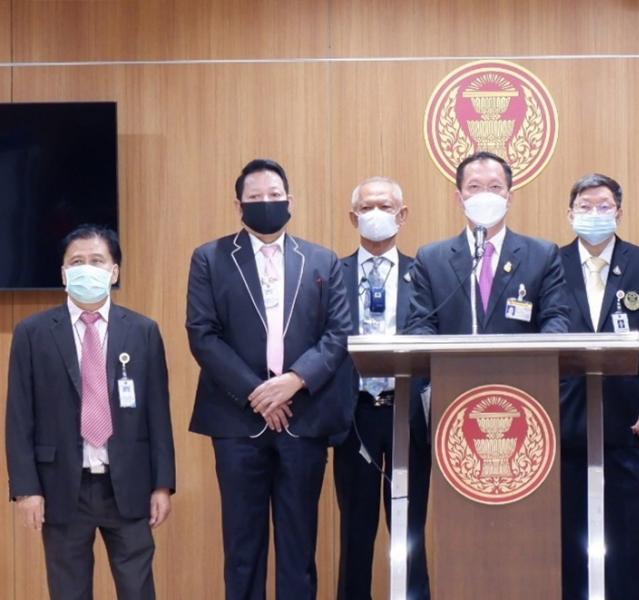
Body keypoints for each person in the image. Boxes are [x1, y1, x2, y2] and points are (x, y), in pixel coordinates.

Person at [186, 158, 353, 600]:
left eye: (274, 195)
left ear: (290, 201)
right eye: (255, 197)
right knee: (242, 549)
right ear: (238, 205)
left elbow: (338, 334)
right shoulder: (210, 258)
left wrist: (294, 381)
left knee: (299, 549)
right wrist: (257, 393)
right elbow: (203, 335)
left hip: (304, 417)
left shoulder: (321, 260)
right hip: (237, 421)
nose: (266, 203)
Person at [6, 224, 175, 599]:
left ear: (114, 271)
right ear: (64, 273)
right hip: (62, 487)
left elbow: (158, 415)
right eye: (76, 262)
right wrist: (26, 490)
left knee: (137, 589)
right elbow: (18, 417)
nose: (87, 268)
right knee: (68, 591)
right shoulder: (33, 333)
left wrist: (162, 484)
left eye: (96, 260)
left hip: (128, 484)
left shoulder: (143, 331)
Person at [558, 173, 639, 600]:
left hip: (630, 425)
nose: (594, 214)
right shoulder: (551, 265)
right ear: (570, 214)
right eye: (584, 206)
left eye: (603, 206)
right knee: (570, 541)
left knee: (628, 542)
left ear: (618, 212)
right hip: (565, 427)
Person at [333, 177, 431, 599]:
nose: (376, 214)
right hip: (353, 414)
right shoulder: (331, 273)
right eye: (367, 207)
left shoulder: (424, 273)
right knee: (355, 531)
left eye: (386, 206)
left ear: (402, 215)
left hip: (407, 414)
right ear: (353, 217)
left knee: (410, 530)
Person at [407, 151, 568, 335]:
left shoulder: (542, 255)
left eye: (495, 187)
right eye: (474, 187)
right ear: (459, 199)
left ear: (509, 198)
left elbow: (555, 318)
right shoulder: (431, 260)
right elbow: (421, 324)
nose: (485, 195)